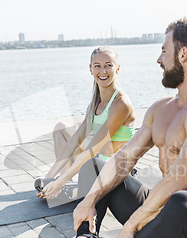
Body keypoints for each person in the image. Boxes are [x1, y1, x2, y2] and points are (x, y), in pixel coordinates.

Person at [39, 16, 187, 238]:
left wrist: (130, 226)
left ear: (184, 54)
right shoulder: (160, 109)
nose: (159, 60)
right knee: (98, 164)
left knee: (183, 201)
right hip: (157, 212)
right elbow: (123, 159)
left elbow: (181, 180)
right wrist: (88, 201)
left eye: (164, 51)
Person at [36, 46, 136, 202]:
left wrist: (58, 182)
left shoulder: (121, 104)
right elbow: (74, 141)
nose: (103, 71)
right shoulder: (95, 104)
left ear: (117, 68)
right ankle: (64, 187)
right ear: (90, 69)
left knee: (89, 162)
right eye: (97, 66)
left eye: (108, 65)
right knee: (61, 128)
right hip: (94, 165)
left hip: (114, 171)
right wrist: (49, 178)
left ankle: (67, 189)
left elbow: (92, 149)